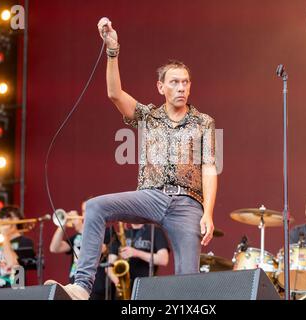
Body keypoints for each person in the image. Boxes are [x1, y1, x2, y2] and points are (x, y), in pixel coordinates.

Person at [44, 16, 217, 300]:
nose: (182, 87)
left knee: (189, 280)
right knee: (97, 207)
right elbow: (114, 93)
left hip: (187, 202)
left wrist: (208, 213)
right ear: (161, 87)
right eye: (175, 82)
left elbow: (209, 168)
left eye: (186, 82)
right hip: (151, 196)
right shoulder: (147, 116)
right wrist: (112, 50)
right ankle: (81, 287)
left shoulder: (204, 122)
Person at [49, 202, 117, 300]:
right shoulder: (76, 237)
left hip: (96, 285)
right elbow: (54, 248)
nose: (85, 214)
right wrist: (62, 225)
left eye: (88, 210)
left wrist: (82, 229)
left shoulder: (106, 231)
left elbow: (100, 248)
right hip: (75, 284)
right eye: (84, 211)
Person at [107, 223, 169, 295]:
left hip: (146, 287)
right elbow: (109, 266)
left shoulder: (155, 231)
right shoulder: (121, 234)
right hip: (124, 287)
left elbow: (163, 259)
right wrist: (118, 283)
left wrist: (136, 253)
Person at [0, 206, 36, 288]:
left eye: (8, 217)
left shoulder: (25, 241)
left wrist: (5, 236)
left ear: (16, 219)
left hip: (15, 287)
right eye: (1, 217)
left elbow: (13, 264)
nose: (2, 221)